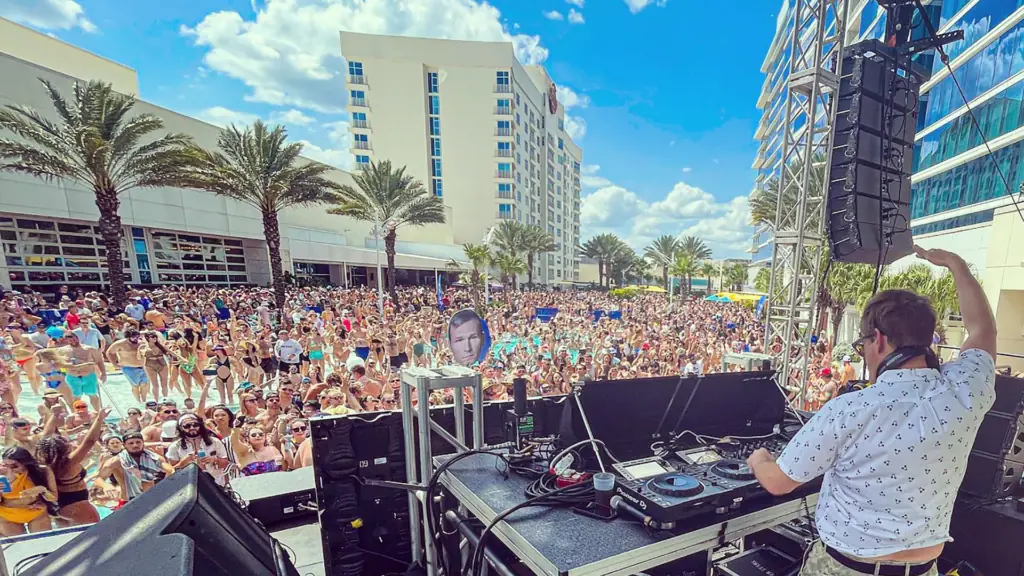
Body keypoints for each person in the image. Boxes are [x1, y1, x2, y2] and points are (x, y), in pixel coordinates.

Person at [746, 246, 997, 576]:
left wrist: (759, 458)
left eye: (861, 345)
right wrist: (957, 265)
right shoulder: (965, 391)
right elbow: (983, 331)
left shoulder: (850, 408)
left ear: (878, 339)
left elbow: (778, 483)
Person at [36, 406, 113, 526]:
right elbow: (89, 442)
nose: (70, 443)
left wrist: (54, 416)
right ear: (63, 449)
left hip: (58, 505)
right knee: (94, 531)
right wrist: (99, 419)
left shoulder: (44, 463)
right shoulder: (69, 462)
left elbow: (44, 437)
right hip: (76, 505)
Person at [0, 447, 58, 536]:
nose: (11, 469)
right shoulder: (1, 474)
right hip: (8, 515)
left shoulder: (42, 471)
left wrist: (42, 490)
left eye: (15, 466)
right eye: (6, 465)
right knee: (20, 547)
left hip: (35, 512)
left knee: (44, 543)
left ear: (25, 462)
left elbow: (53, 498)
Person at [165, 413, 230, 485]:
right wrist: (183, 462)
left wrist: (214, 460)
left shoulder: (214, 441)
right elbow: (171, 472)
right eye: (187, 426)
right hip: (188, 485)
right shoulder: (175, 446)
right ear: (181, 428)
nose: (192, 428)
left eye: (195, 425)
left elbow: (225, 463)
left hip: (215, 482)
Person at [115, 431, 174, 501]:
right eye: (131, 443)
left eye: (138, 442)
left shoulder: (154, 458)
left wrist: (163, 486)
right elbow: (99, 477)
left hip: (151, 497)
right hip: (129, 501)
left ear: (143, 443)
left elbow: (171, 470)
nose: (135, 445)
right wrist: (106, 486)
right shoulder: (117, 461)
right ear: (124, 445)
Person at [60, 332, 106, 411]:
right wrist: (63, 373)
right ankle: (78, 414)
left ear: (77, 338)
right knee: (75, 397)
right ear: (66, 341)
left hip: (88, 375)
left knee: (92, 395)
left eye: (74, 339)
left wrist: (103, 373)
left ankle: (97, 413)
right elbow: (60, 364)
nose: (73, 341)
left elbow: (99, 361)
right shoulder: (62, 351)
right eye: (70, 340)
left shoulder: (90, 349)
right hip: (73, 377)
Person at [106, 328, 151, 404]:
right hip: (129, 368)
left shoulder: (141, 343)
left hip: (143, 367)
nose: (136, 339)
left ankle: (144, 401)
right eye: (133, 337)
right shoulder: (120, 344)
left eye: (137, 337)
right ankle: (138, 401)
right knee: (135, 385)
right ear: (128, 337)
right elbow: (109, 352)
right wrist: (114, 364)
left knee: (144, 384)